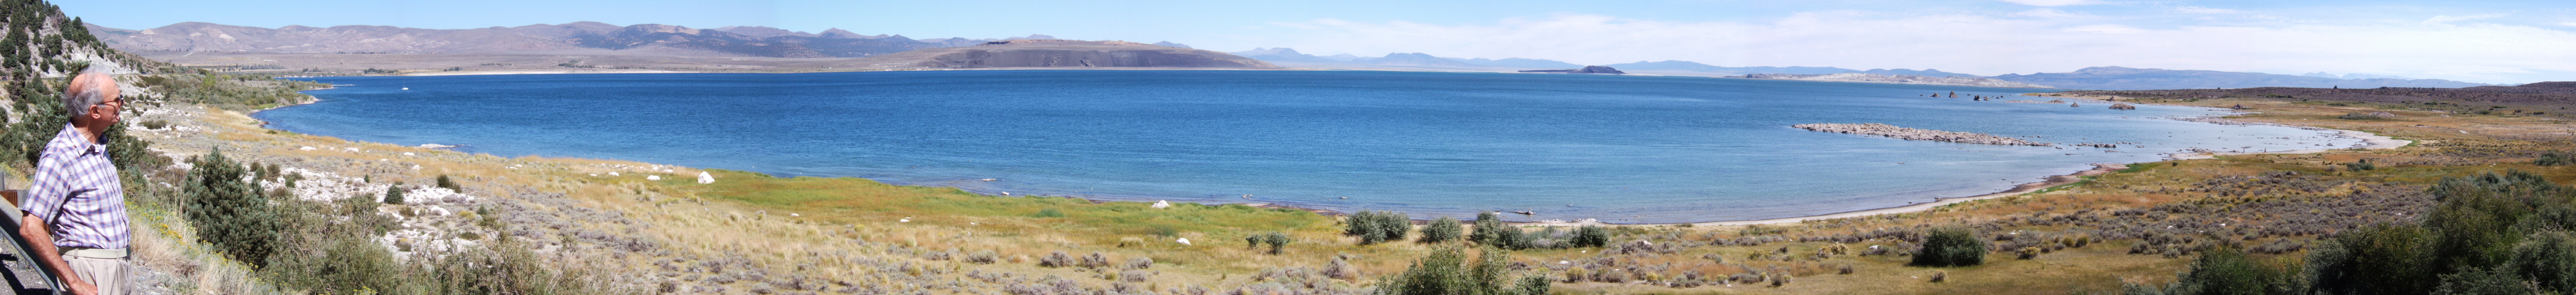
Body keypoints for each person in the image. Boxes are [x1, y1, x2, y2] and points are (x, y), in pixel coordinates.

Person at [19, 67, 130, 295]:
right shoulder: (61, 155)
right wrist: (74, 282)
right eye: (118, 99)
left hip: (119, 268)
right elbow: (31, 228)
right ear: (95, 111)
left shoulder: (98, 145)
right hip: (91, 272)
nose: (123, 103)